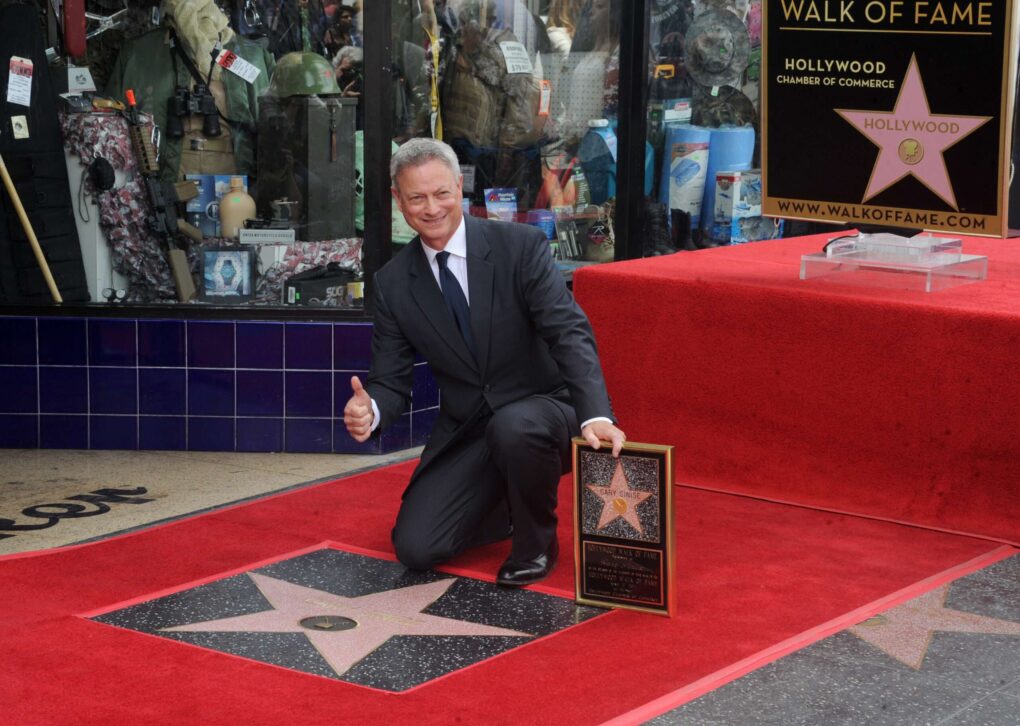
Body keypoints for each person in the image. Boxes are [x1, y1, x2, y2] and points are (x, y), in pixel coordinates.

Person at [343, 137, 625, 586]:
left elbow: (568, 332)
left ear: (460, 187)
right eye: (416, 197)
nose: (432, 208)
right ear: (398, 200)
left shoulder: (521, 246)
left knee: (516, 426)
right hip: (471, 426)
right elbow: (391, 381)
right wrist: (370, 410)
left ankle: (536, 545)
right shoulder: (394, 283)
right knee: (417, 547)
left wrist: (595, 412)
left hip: (548, 408)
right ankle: (501, 505)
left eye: (442, 193)